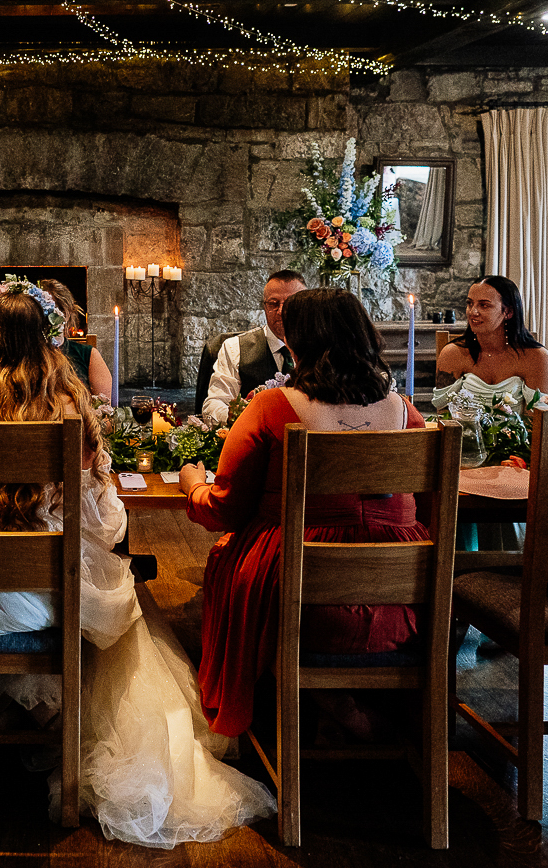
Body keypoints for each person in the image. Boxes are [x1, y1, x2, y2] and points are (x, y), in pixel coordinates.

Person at [0, 280, 275, 847]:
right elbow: (106, 524)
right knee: (125, 607)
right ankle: (42, 712)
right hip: (53, 589)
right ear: (50, 338)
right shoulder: (68, 404)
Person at [183, 288, 430, 741]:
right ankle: (363, 710)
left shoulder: (274, 408)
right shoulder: (405, 412)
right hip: (400, 595)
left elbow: (226, 509)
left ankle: (308, 704)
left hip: (302, 588)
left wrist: (193, 485)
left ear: (298, 344)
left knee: (225, 559)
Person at [199, 270, 307, 424]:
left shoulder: (320, 348)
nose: (281, 311)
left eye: (291, 303)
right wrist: (234, 415)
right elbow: (214, 404)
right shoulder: (234, 347)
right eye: (273, 303)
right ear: (264, 306)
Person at [433, 275, 548, 394]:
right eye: (470, 303)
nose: (473, 312)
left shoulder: (537, 358)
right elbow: (444, 412)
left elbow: (541, 414)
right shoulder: (452, 354)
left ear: (508, 312)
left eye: (484, 305)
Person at [37, 278, 113, 399]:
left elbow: (105, 409)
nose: (44, 318)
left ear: (66, 314)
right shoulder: (26, 354)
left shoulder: (88, 355)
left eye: (49, 311)